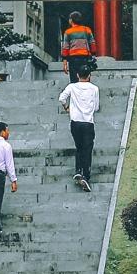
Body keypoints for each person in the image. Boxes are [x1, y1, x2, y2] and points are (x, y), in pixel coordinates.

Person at [59, 62, 102, 191]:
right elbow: (96, 107)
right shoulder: (94, 89)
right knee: (87, 149)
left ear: (77, 75)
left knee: (79, 147)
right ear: (89, 76)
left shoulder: (72, 87)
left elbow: (61, 98)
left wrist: (67, 107)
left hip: (75, 122)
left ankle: (78, 170)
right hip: (88, 122)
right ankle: (86, 175)